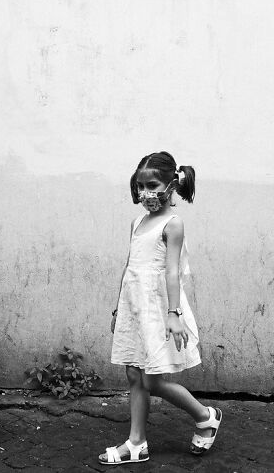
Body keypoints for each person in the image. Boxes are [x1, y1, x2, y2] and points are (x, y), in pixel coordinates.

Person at [99, 151, 222, 465]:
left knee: (152, 380)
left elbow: (172, 272)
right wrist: (118, 310)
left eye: (152, 185)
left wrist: (173, 314)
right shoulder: (137, 221)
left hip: (158, 308)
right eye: (140, 186)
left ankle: (206, 416)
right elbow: (129, 267)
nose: (145, 193)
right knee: (133, 373)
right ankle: (136, 442)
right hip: (133, 305)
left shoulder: (173, 223)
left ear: (171, 184)